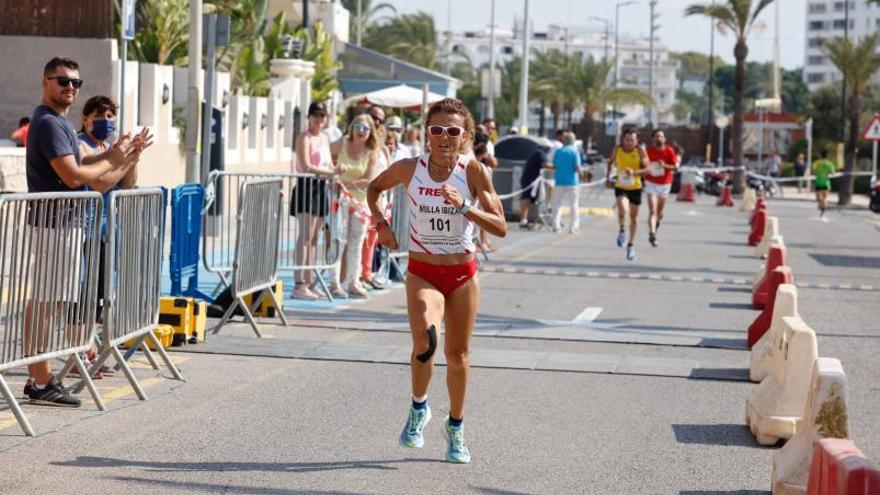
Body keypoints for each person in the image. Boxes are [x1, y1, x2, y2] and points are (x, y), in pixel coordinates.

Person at [366, 98, 507, 464]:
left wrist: (464, 206)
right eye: (437, 129)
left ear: (465, 136)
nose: (444, 137)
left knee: (457, 355)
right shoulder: (410, 169)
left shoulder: (474, 172)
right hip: (423, 272)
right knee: (426, 342)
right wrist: (381, 225)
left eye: (453, 131)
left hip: (462, 274)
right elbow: (373, 189)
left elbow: (501, 226)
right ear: (427, 133)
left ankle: (455, 427)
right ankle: (418, 409)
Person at [24, 57, 145, 406]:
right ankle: (41, 379)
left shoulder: (57, 123)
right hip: (56, 225)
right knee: (48, 302)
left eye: (76, 82)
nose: (70, 87)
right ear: (46, 82)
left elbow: (90, 170)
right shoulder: (48, 123)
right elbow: (74, 176)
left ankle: (39, 376)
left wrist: (122, 156)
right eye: (62, 81)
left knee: (50, 301)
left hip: (65, 225)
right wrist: (117, 159)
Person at [72, 95, 148, 379]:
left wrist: (133, 158)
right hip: (85, 227)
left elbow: (127, 183)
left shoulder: (109, 148)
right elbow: (98, 180)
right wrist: (118, 157)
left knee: (100, 296)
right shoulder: (82, 144)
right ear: (86, 118)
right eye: (100, 117)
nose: (107, 122)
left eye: (111, 116)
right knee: (83, 295)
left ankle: (90, 350)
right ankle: (78, 352)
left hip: (106, 230)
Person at [291, 102, 345, 300]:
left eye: (322, 115)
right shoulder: (303, 138)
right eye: (315, 114)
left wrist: (337, 171)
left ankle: (309, 280)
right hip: (307, 187)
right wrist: (332, 172)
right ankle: (299, 284)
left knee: (314, 239)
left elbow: (329, 164)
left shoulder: (323, 138)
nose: (319, 118)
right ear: (309, 116)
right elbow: (306, 166)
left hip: (321, 188)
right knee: (304, 237)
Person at [328, 114, 379, 298]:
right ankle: (334, 282)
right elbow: (323, 151)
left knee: (356, 243)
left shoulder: (371, 151)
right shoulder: (342, 143)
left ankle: (353, 282)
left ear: (370, 131)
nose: (361, 131)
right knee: (337, 241)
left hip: (359, 203)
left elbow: (369, 179)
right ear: (352, 128)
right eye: (358, 127)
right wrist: (332, 171)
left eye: (365, 128)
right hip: (339, 200)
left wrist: (349, 185)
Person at [359, 111, 392, 291]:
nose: (377, 122)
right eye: (373, 118)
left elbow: (391, 176)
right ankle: (357, 275)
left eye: (380, 119)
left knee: (372, 239)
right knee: (360, 238)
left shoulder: (384, 150)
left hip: (381, 200)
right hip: (361, 199)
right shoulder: (360, 146)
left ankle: (367, 273)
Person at [606, 128, 648, 261]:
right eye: (627, 140)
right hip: (621, 186)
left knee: (634, 218)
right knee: (623, 210)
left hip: (635, 187)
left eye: (632, 140)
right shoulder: (617, 150)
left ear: (636, 141)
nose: (629, 142)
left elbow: (647, 170)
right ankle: (622, 230)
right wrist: (608, 177)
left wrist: (634, 172)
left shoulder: (640, 151)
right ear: (623, 140)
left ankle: (631, 245)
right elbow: (610, 162)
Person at [644, 129, 679, 248]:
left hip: (664, 184)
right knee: (652, 211)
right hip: (651, 183)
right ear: (653, 139)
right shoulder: (648, 151)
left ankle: (656, 223)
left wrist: (664, 165)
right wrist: (645, 170)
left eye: (661, 136)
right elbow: (642, 165)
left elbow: (675, 168)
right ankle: (652, 234)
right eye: (657, 136)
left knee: (659, 213)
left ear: (664, 139)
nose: (659, 138)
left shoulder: (669, 151)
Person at [548, 132, 583, 233]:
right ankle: (573, 226)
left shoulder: (559, 151)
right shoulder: (574, 152)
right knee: (574, 205)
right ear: (573, 140)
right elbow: (576, 167)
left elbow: (554, 165)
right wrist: (581, 174)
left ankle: (556, 225)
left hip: (559, 180)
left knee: (557, 204)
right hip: (572, 182)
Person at [518, 141, 551, 229]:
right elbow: (545, 164)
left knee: (527, 199)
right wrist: (558, 167)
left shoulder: (536, 152)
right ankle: (523, 220)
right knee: (526, 199)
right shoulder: (540, 153)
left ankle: (524, 220)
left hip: (529, 179)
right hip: (530, 180)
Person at [812, 149, 836, 218]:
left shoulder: (816, 163)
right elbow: (833, 173)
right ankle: (824, 206)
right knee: (825, 197)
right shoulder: (829, 163)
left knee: (818, 197)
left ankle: (821, 204)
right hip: (826, 182)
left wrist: (817, 173)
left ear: (820, 155)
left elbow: (813, 171)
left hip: (818, 182)